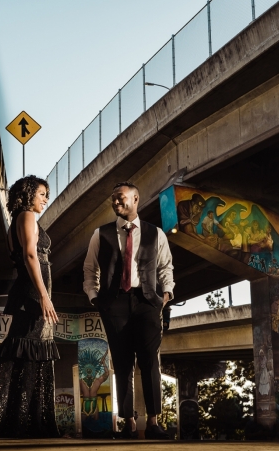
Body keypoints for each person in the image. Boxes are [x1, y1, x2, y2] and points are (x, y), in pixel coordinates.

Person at [0, 175, 60, 438]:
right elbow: (31, 255)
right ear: (28, 194)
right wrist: (44, 295)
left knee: (23, 356)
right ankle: (27, 423)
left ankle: (16, 422)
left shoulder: (16, 222)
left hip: (26, 292)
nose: (46, 198)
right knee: (31, 353)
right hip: (32, 294)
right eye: (42, 193)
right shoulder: (28, 217)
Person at [83, 182, 174, 440]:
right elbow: (90, 269)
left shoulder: (156, 234)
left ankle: (154, 422)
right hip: (115, 303)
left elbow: (166, 267)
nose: (115, 203)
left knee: (149, 361)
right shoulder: (100, 234)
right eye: (113, 199)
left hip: (147, 302)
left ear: (136, 198)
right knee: (122, 363)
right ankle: (129, 424)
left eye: (120, 198)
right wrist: (95, 298)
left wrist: (165, 296)